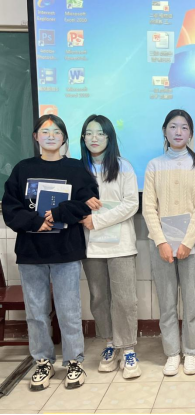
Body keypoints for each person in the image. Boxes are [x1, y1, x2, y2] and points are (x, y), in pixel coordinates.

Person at [2, 114, 98, 391]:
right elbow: (10, 208)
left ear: (64, 137)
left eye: (57, 131)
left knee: (69, 310)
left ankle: (74, 361)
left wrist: (57, 213)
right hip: (31, 252)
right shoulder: (23, 169)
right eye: (45, 131)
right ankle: (43, 361)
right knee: (36, 312)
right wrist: (36, 222)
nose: (51, 136)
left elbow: (88, 202)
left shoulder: (76, 168)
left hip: (66, 250)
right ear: (36, 137)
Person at [143, 109, 195, 376]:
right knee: (167, 301)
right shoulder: (154, 165)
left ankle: (191, 352)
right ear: (164, 131)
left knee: (192, 302)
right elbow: (148, 207)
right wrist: (161, 242)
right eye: (173, 127)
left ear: (191, 133)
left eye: (184, 127)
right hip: (161, 245)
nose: (178, 132)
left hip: (193, 243)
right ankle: (172, 353)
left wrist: (187, 242)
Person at [79, 115, 141, 379]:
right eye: (89, 133)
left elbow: (131, 204)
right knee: (99, 298)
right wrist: (83, 210)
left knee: (125, 299)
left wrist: (98, 220)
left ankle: (127, 348)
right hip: (90, 247)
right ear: (83, 138)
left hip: (121, 246)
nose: (94, 138)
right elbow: (70, 204)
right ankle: (109, 343)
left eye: (100, 133)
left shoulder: (123, 166)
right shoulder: (77, 169)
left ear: (109, 137)